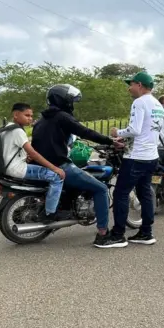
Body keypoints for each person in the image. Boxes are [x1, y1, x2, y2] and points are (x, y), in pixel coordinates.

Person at [31, 84, 125, 248]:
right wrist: (111, 141)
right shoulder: (62, 117)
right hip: (59, 165)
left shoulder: (42, 119)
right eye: (71, 100)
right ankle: (103, 234)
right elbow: (85, 132)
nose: (72, 104)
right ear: (64, 100)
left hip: (42, 166)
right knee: (101, 189)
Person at [105, 71, 164, 247]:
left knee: (121, 193)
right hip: (151, 156)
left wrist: (118, 133)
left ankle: (117, 235)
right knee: (144, 192)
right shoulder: (158, 105)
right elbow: (148, 131)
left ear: (139, 85)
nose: (129, 89)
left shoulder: (139, 102)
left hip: (136, 157)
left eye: (130, 85)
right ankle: (146, 232)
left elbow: (135, 129)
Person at [2, 103, 66, 224]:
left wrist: (25, 158)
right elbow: (34, 153)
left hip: (7, 167)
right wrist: (55, 168)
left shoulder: (6, 128)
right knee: (57, 177)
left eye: (31, 116)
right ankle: (50, 213)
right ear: (16, 114)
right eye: (27, 115)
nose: (30, 118)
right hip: (18, 169)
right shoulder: (18, 131)